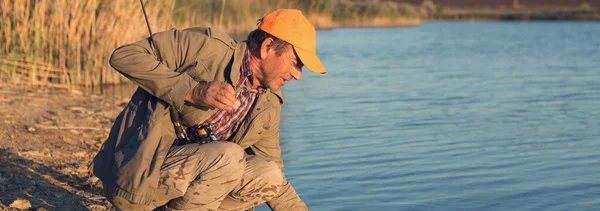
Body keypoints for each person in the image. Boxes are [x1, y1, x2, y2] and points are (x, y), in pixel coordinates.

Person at [90, 9, 327, 211]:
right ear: (267, 47)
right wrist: (191, 90)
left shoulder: (269, 101)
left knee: (269, 174)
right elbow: (124, 56)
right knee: (229, 156)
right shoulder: (206, 47)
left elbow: (274, 177)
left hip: (191, 190)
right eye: (296, 63)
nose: (298, 75)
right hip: (138, 179)